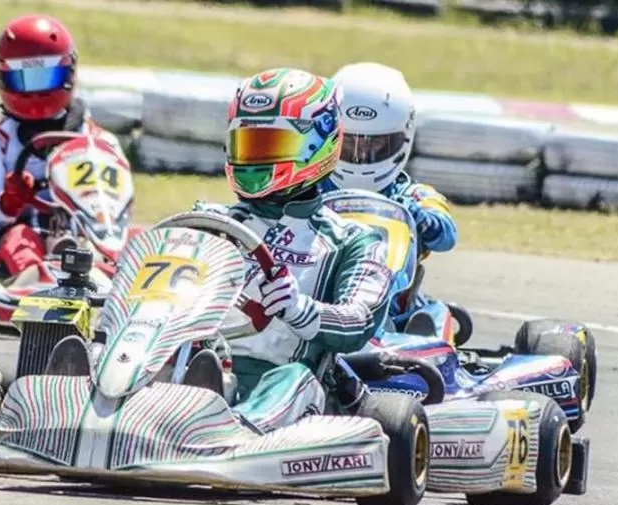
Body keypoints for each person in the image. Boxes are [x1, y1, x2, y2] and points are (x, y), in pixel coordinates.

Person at [194, 67, 397, 429]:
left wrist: (301, 309)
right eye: (247, 146)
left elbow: (361, 321)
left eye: (268, 146)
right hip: (196, 368)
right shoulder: (208, 222)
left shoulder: (352, 241)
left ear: (317, 145)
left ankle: (235, 432)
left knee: (290, 381)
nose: (254, 159)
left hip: (289, 388)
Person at [0, 13, 127, 280]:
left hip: (86, 237)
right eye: (25, 80)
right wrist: (10, 201)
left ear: (68, 74)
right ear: (5, 80)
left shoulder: (100, 142)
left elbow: (118, 210)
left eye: (46, 77)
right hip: (17, 240)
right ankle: (35, 282)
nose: (36, 92)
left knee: (135, 241)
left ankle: (109, 279)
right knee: (21, 237)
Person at [319, 62, 458, 335]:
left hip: (393, 300)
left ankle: (416, 342)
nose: (360, 152)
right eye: (349, 142)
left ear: (402, 137)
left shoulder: (412, 194)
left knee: (436, 313)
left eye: (374, 143)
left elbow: (446, 235)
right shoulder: (311, 187)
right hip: (320, 293)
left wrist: (417, 216)